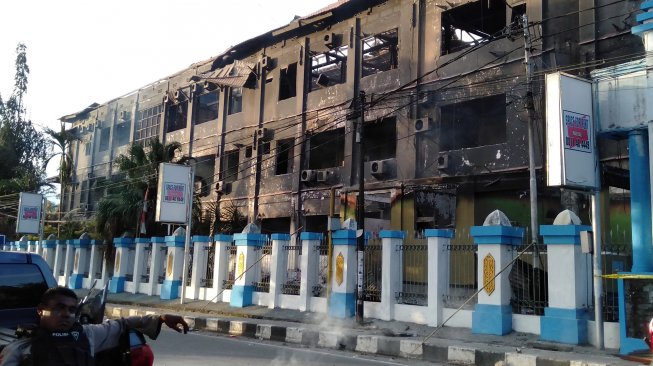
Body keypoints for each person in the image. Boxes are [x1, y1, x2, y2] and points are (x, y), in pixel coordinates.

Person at [0, 286, 189, 366]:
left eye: (72, 310)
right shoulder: (22, 348)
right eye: (59, 308)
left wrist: (161, 317)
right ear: (41, 310)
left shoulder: (87, 334)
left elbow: (123, 324)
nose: (66, 314)